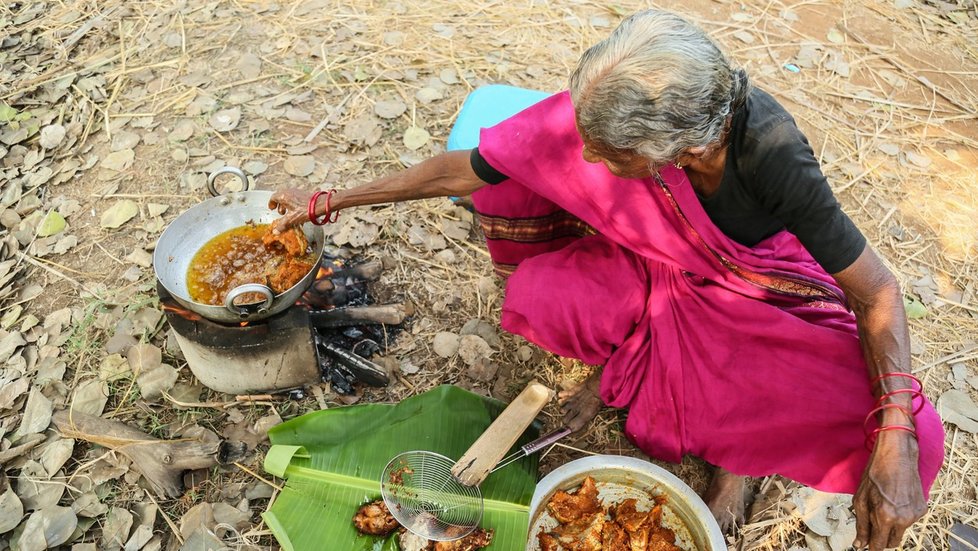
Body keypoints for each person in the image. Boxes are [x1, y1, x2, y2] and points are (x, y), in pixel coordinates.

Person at [270, 9, 943, 550]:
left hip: (756, 291)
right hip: (655, 267)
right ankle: (629, 368)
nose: (582, 155)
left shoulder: (772, 155)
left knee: (902, 428)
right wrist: (332, 199)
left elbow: (878, 290)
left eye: (605, 152)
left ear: (680, 152)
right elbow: (472, 167)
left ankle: (735, 464)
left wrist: (897, 439)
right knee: (548, 296)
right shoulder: (632, 103)